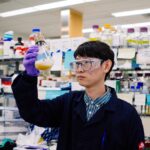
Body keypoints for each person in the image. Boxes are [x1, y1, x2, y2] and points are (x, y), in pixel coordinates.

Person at [12, 41, 145, 150]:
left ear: (106, 66)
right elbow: (33, 112)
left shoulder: (127, 114)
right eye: (77, 63)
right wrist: (29, 76)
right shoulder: (68, 102)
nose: (79, 69)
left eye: (87, 63)